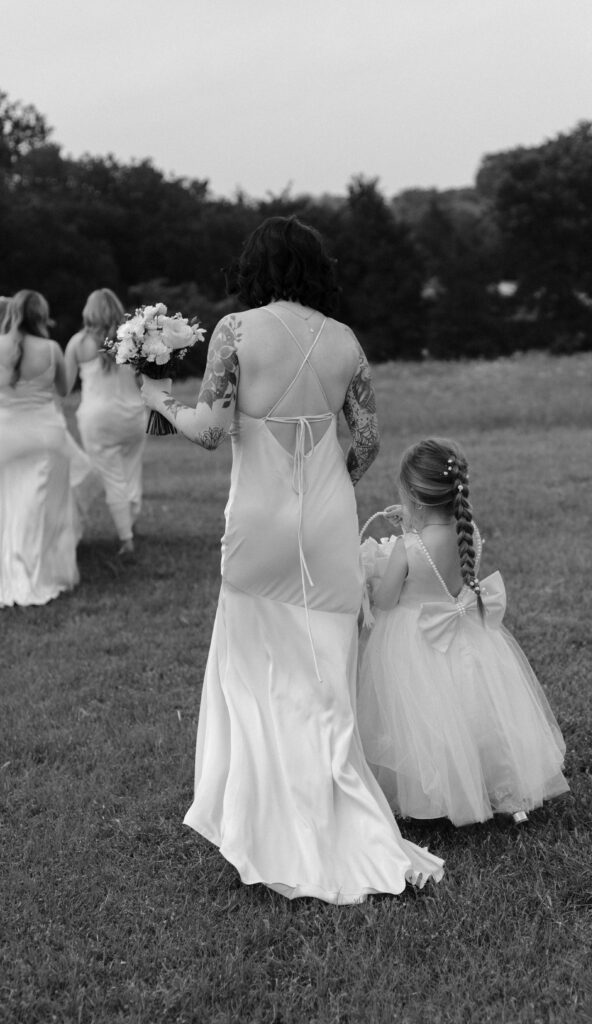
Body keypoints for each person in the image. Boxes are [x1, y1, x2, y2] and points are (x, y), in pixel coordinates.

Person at [140, 215, 444, 903]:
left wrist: (160, 401)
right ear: (313, 267)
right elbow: (366, 439)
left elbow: (213, 430)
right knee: (325, 680)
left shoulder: (235, 332)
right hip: (328, 521)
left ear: (256, 268)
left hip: (259, 525)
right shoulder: (345, 341)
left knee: (251, 676)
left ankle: (261, 821)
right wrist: (329, 481)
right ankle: (338, 815)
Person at [358, 437, 569, 826]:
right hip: (467, 634)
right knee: (475, 710)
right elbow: (439, 556)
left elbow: (387, 601)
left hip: (416, 640)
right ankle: (495, 784)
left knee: (425, 719)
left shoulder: (408, 548)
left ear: (413, 498)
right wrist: (410, 522)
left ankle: (439, 793)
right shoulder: (468, 531)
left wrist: (369, 577)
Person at [0, 290, 90, 607]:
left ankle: (10, 568)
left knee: (9, 505)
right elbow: (64, 390)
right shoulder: (51, 348)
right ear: (40, 315)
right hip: (45, 437)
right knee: (42, 510)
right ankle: (39, 573)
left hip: (6, 437)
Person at [65, 288, 146, 556]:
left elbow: (64, 386)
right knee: (131, 471)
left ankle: (126, 539)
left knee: (112, 477)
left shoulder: (78, 343)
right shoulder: (132, 337)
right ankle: (130, 522)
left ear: (89, 311)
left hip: (97, 419)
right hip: (133, 415)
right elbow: (142, 377)